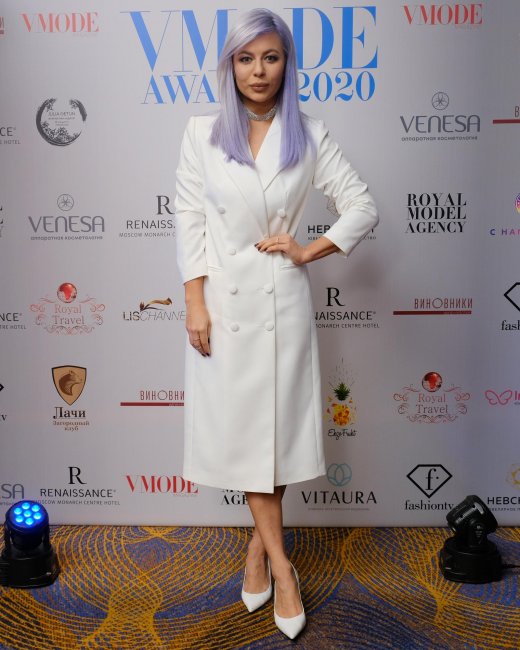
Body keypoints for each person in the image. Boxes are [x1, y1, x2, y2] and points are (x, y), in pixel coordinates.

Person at [175, 8, 378, 639]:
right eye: (245, 59)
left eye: (270, 57)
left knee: (277, 436)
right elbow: (188, 220)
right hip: (224, 307)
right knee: (246, 436)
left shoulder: (309, 133)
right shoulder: (201, 133)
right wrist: (195, 303)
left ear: (287, 64)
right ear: (230, 66)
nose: (258, 71)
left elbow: (362, 205)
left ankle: (259, 551)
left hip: (282, 306)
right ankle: (284, 568)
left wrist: (308, 250)